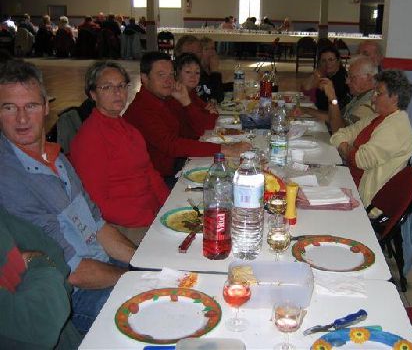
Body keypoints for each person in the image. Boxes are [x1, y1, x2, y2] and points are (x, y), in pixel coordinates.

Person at [0, 59, 137, 335]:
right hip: (73, 295)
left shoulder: (57, 158)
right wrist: (133, 279)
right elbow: (71, 270)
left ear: (47, 107)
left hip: (101, 268)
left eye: (31, 106)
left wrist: (142, 264)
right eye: (9, 108)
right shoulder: (9, 179)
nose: (22, 119)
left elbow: (98, 225)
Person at [70, 62, 170, 245]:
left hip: (150, 215)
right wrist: (151, 218)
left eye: (121, 86)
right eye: (107, 87)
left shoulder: (128, 130)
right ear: (93, 94)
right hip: (123, 227)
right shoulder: (90, 138)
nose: (117, 92)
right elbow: (96, 203)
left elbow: (150, 174)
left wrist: (170, 208)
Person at [123, 52, 250, 187]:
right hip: (158, 179)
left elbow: (196, 130)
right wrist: (226, 149)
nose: (168, 81)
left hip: (172, 166)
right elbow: (173, 145)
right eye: (161, 75)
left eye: (170, 75)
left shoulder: (161, 99)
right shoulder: (143, 109)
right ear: (144, 78)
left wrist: (187, 102)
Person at [330, 70, 412, 206]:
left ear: (395, 98)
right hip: (350, 181)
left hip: (367, 199)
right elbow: (339, 135)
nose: (373, 98)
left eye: (378, 93)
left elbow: (361, 159)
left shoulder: (396, 127)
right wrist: (349, 150)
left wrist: (346, 148)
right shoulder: (376, 118)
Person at [0, 207, 82, 349]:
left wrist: (57, 289)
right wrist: (37, 260)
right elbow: (40, 324)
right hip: (67, 309)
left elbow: (55, 254)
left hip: (70, 334)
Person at [327, 55, 378, 133]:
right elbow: (334, 118)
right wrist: (307, 111)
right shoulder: (359, 96)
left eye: (352, 77)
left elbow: (340, 131)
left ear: (369, 78)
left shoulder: (371, 101)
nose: (347, 82)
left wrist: (332, 98)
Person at [299, 46, 349, 121]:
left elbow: (331, 112)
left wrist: (307, 110)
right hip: (319, 113)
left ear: (338, 61)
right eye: (323, 60)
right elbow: (305, 88)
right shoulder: (328, 75)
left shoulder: (341, 79)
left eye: (331, 60)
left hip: (332, 121)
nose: (327, 63)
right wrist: (316, 73)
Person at [176, 35, 224, 103]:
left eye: (198, 52)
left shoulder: (200, 71)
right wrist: (215, 71)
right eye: (190, 53)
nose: (194, 56)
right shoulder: (179, 77)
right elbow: (217, 97)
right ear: (179, 54)